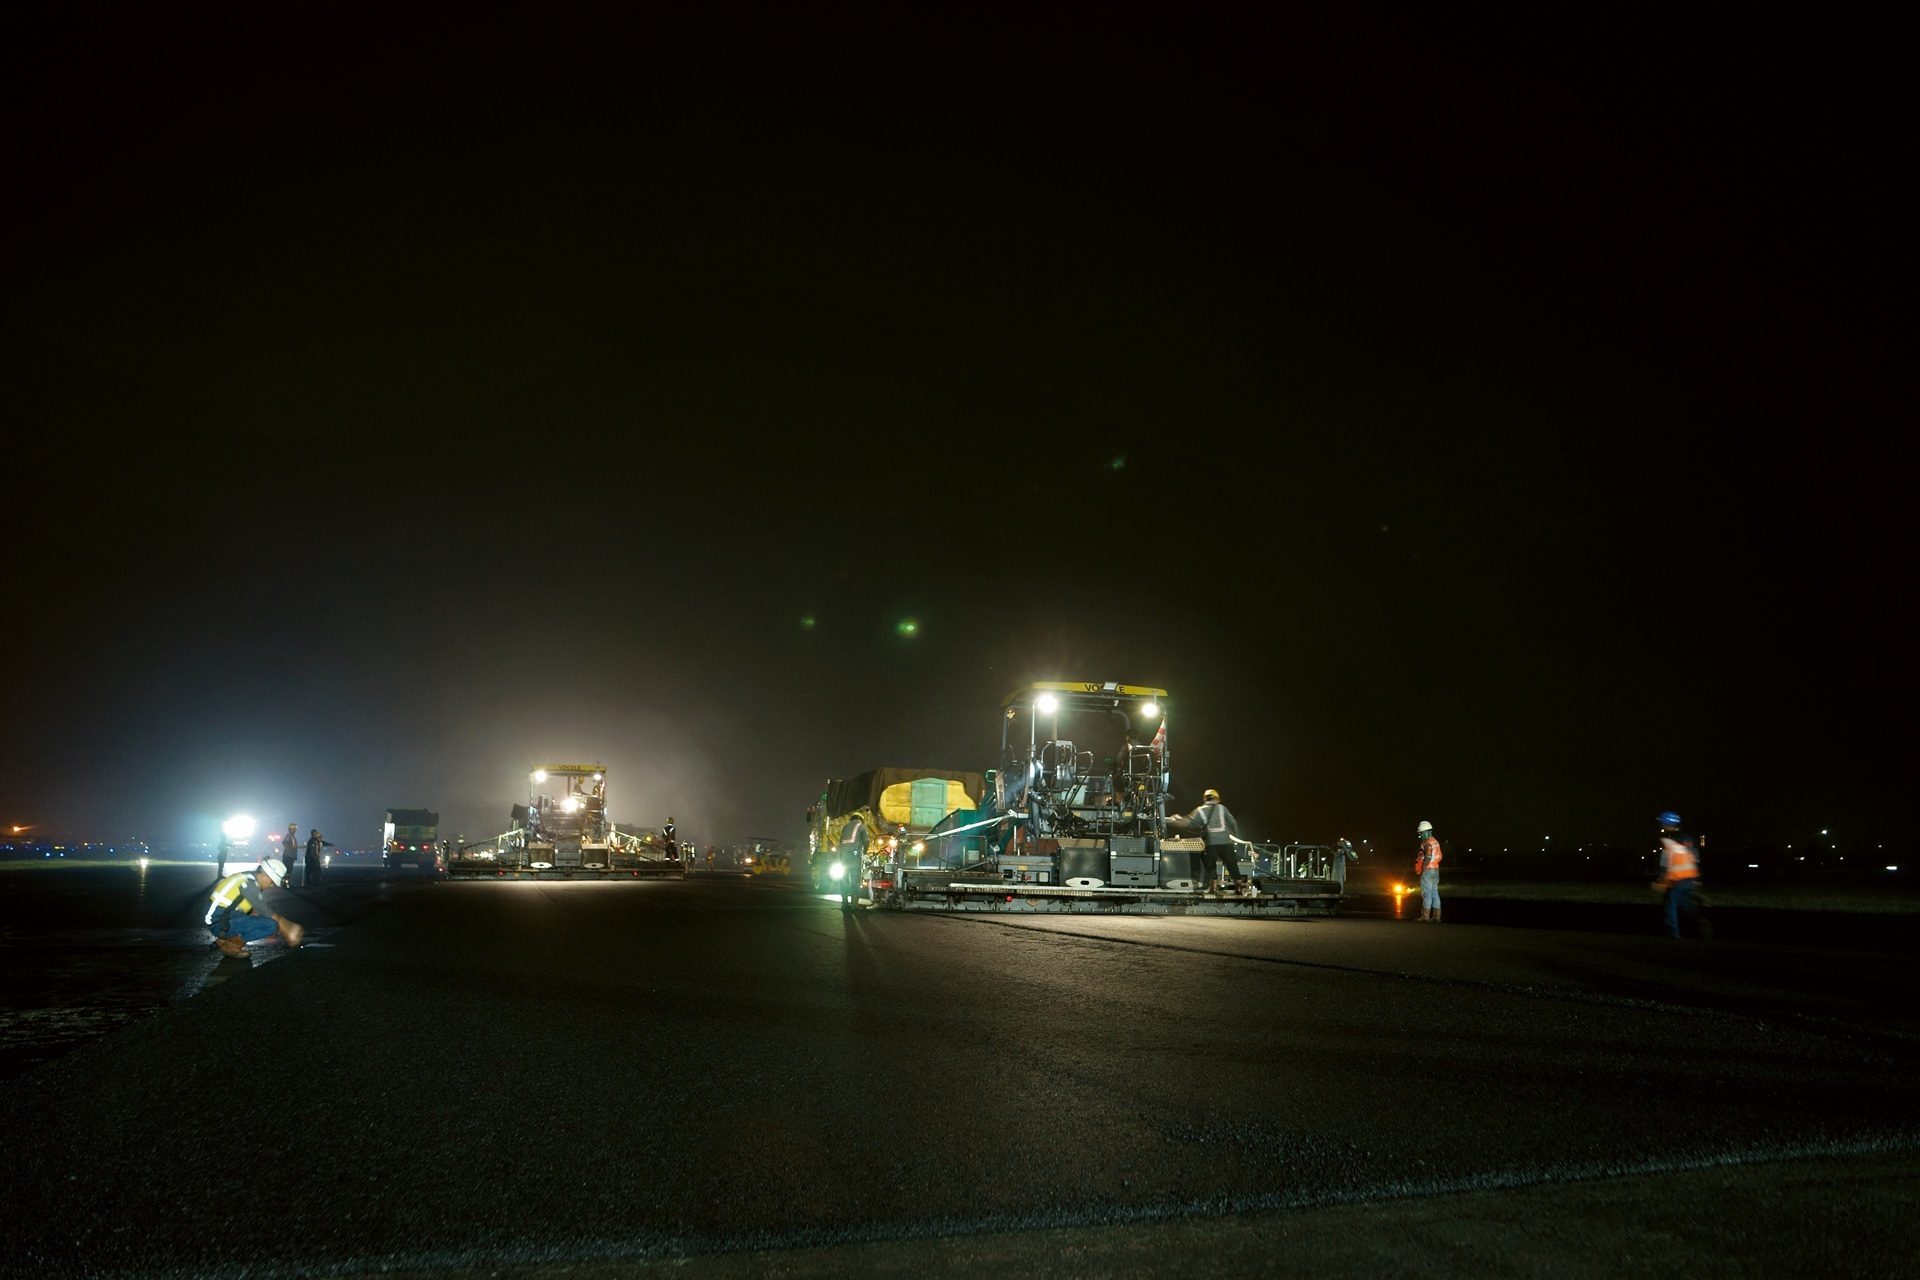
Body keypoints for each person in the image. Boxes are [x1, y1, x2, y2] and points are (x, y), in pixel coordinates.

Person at [206, 858, 304, 957]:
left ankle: (225, 939)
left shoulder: (249, 878)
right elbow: (265, 910)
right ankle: (232, 945)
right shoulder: (249, 883)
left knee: (266, 923)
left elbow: (255, 911)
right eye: (272, 882)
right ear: (265, 875)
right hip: (219, 923)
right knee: (271, 925)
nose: (272, 886)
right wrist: (288, 929)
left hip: (225, 919)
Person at [1178, 788, 1244, 893]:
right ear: (1217, 798)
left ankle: (1213, 888)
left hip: (1211, 843)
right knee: (1232, 864)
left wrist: (1177, 818)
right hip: (1226, 843)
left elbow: (1191, 824)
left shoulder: (1200, 810)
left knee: (1211, 865)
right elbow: (1233, 822)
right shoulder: (1222, 808)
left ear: (1205, 798)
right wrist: (1236, 836)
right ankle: (1239, 886)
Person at [1653, 811, 1706, 939]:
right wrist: (1696, 879)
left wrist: (1661, 880)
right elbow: (1695, 858)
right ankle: (1701, 925)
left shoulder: (1669, 840)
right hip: (1688, 878)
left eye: (1662, 822)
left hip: (1675, 880)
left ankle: (1673, 936)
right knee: (1686, 906)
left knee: (1669, 908)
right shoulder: (1688, 838)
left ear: (1666, 823)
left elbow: (1666, 862)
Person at [1414, 821, 1443, 922]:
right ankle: (1436, 917)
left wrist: (1423, 869)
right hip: (1435, 869)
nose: (1420, 835)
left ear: (1425, 832)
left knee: (1427, 893)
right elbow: (1440, 857)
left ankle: (1425, 916)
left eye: (1421, 833)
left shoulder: (1427, 843)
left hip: (1428, 870)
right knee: (1434, 892)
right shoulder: (1435, 841)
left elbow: (1428, 856)